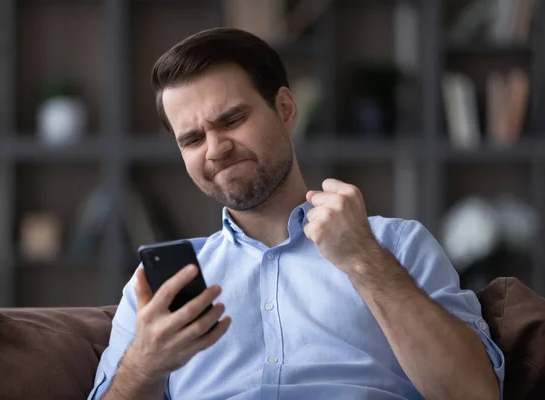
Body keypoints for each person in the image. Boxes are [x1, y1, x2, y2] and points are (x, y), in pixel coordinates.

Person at [89, 27, 504, 400]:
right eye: (193, 139)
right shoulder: (153, 292)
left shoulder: (396, 246)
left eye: (232, 119)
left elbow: (475, 392)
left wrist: (364, 260)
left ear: (285, 110)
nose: (215, 149)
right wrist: (145, 362)